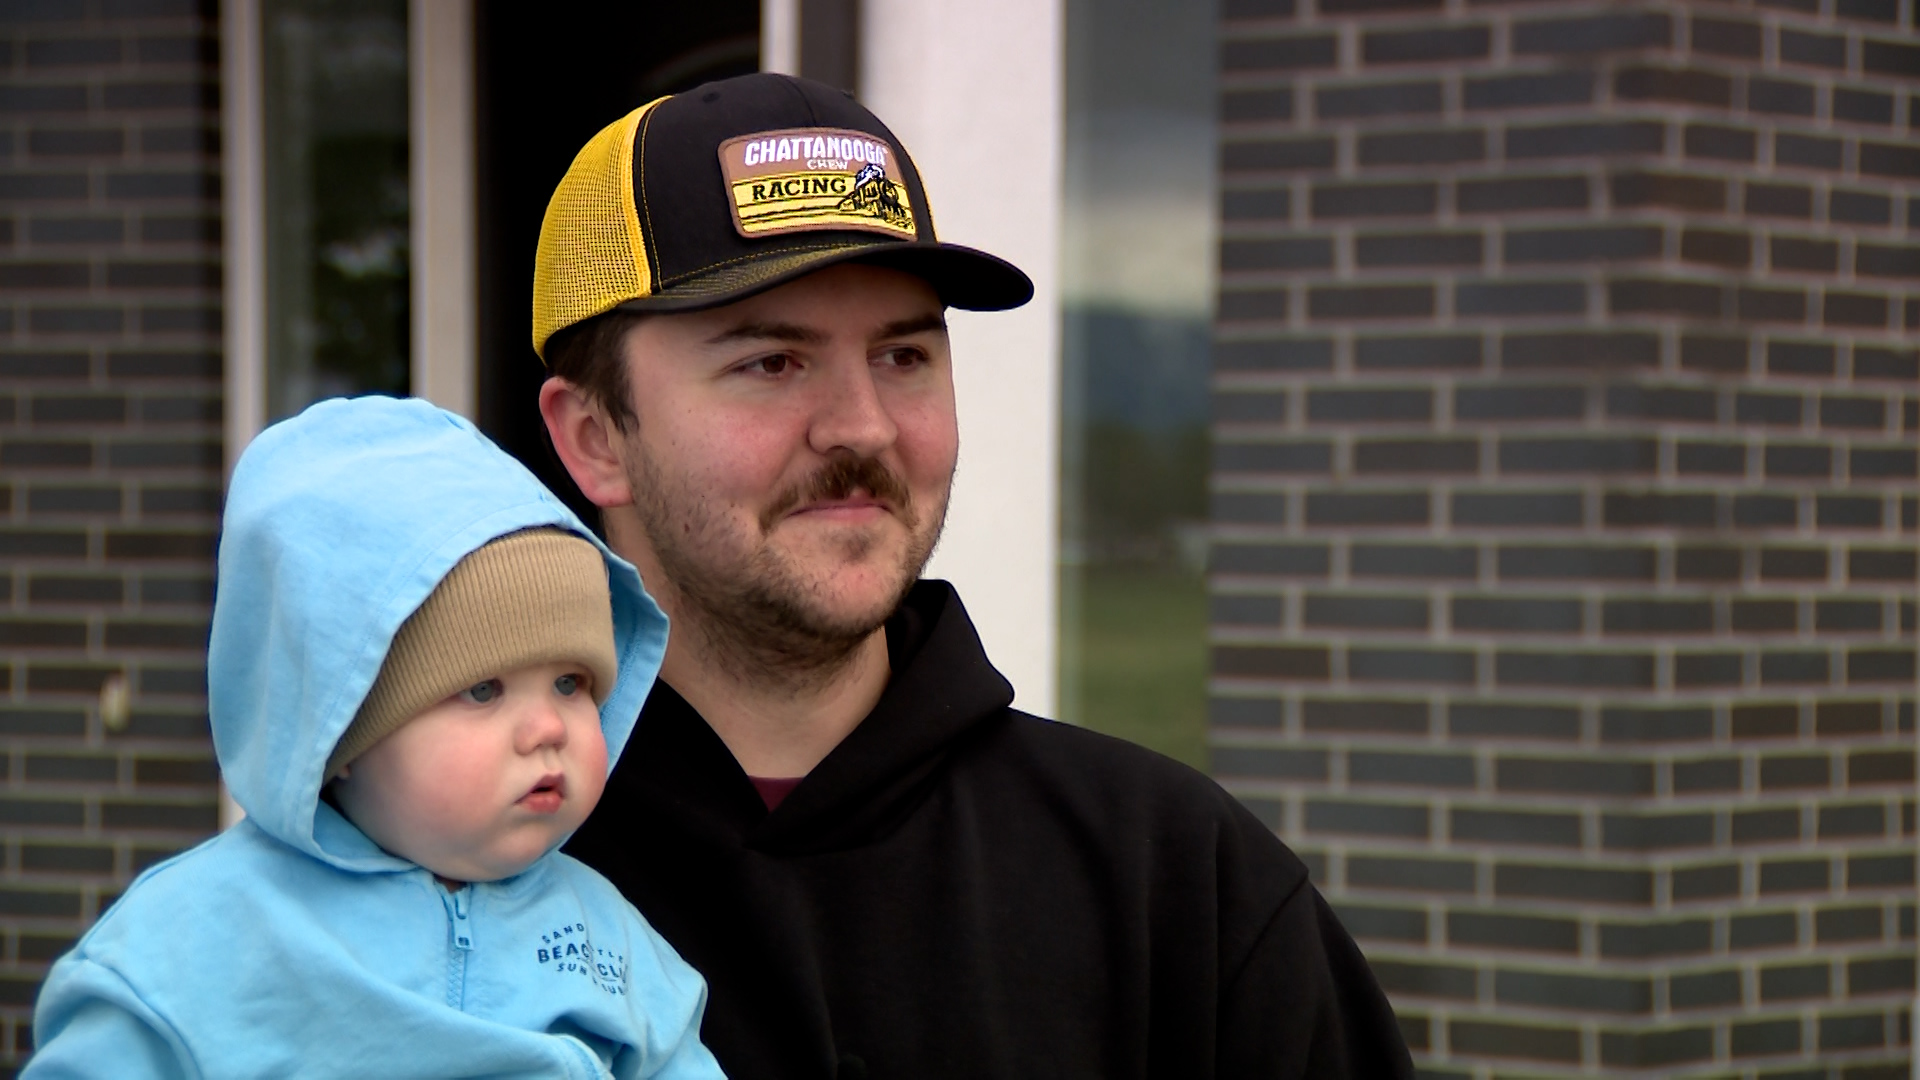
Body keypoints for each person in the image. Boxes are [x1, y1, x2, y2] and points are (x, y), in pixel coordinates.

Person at [540, 73, 1413, 1079]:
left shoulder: (1174, 879)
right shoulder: (437, 869)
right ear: (595, 437)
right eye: (773, 362)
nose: (863, 424)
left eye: (903, 355)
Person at [27, 398, 724, 1080]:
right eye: (483, 690)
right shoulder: (190, 943)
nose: (547, 727)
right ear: (344, 731)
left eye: (571, 684)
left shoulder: (606, 937)